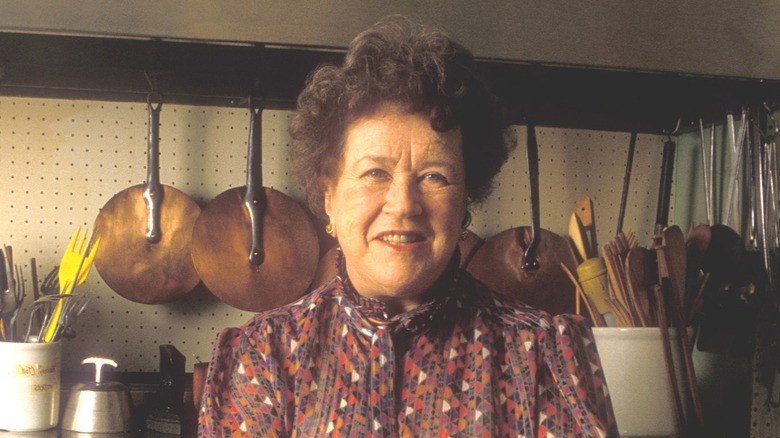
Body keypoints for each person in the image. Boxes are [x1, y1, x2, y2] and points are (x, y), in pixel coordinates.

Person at [199, 15, 617, 437]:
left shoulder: (544, 355)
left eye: (435, 176)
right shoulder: (265, 356)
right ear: (328, 196)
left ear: (466, 198)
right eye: (374, 173)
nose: (402, 205)